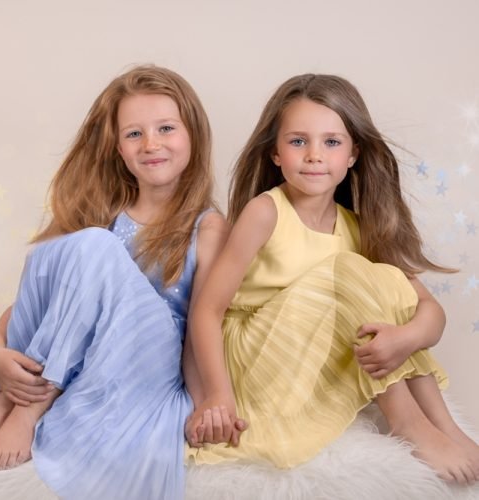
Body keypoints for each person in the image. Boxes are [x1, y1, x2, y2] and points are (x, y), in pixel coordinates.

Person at [184, 73, 479, 485]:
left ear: (353, 154)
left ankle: (445, 426)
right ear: (275, 154)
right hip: (254, 358)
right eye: (298, 141)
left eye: (332, 142)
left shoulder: (355, 226)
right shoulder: (266, 212)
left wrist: (406, 338)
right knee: (350, 271)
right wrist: (217, 394)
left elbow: (430, 310)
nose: (314, 155)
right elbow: (206, 311)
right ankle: (408, 424)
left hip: (304, 361)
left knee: (388, 278)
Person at [0, 64, 230, 499]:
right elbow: (42, 296)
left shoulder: (207, 227)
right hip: (91, 354)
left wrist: (205, 398)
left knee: (91, 244)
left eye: (166, 128)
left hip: (148, 362)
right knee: (55, 252)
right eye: (134, 134)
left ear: (193, 134)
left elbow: (202, 325)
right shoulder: (101, 214)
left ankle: (28, 406)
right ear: (117, 146)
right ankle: (10, 393)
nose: (151, 144)